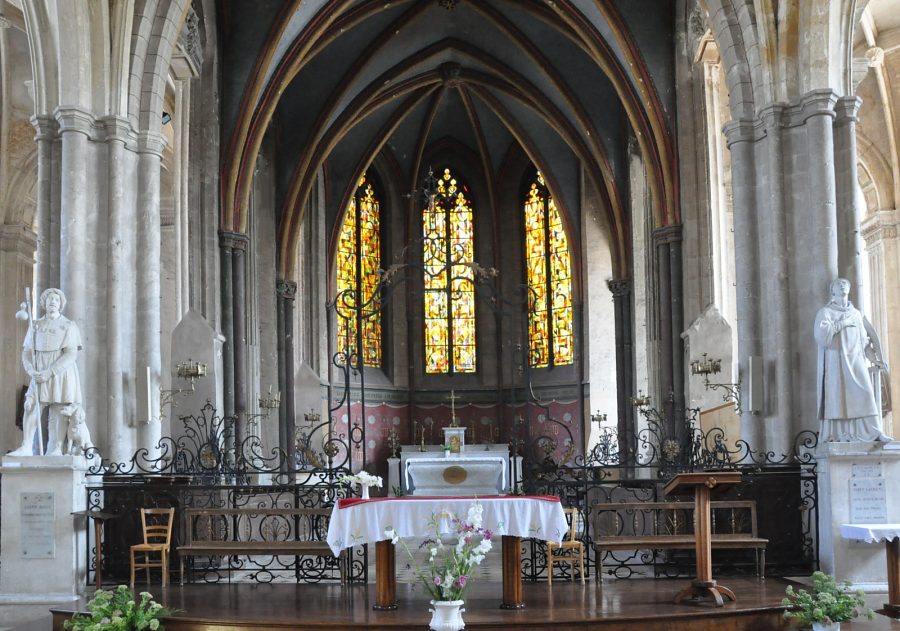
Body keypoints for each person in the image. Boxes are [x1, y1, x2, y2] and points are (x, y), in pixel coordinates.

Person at [814, 278, 892, 442]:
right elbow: (821, 337)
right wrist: (843, 323)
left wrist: (876, 360)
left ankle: (874, 432)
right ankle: (835, 435)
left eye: (845, 283)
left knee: (866, 394)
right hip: (836, 362)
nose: (842, 285)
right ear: (832, 291)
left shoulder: (856, 314)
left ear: (849, 290)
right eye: (838, 283)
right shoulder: (826, 312)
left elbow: (864, 342)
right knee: (838, 399)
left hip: (856, 361)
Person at [10, 288, 84, 456]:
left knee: (59, 409)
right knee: (30, 406)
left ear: (61, 304)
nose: (52, 302)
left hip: (60, 372)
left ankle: (56, 448)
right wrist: (30, 369)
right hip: (38, 371)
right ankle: (26, 446)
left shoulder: (68, 325)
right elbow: (27, 351)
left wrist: (50, 371)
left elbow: (71, 354)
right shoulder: (35, 325)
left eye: (56, 300)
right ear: (43, 303)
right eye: (49, 299)